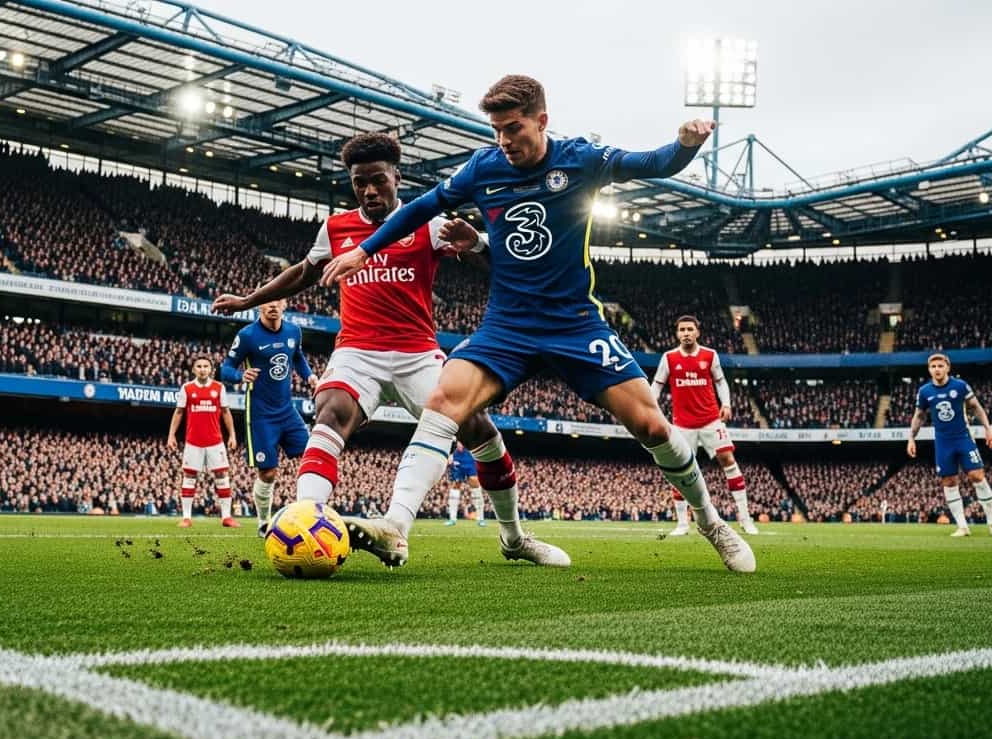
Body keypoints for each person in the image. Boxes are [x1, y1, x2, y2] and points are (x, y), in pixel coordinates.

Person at [317, 75, 753, 572]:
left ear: (541, 120)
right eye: (497, 130)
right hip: (508, 325)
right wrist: (364, 250)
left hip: (575, 325)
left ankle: (711, 520)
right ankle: (396, 526)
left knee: (652, 424)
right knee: (444, 400)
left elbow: (650, 164)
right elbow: (421, 208)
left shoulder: (580, 159)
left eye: (513, 128)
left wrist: (686, 144)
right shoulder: (483, 167)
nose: (503, 140)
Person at [214, 131, 568, 567]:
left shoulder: (428, 222)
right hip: (357, 351)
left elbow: (502, 265)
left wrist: (475, 241)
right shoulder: (336, 227)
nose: (368, 190)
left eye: (377, 180)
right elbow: (304, 273)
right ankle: (308, 517)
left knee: (479, 431)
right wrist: (249, 300)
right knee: (330, 410)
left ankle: (513, 539)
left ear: (396, 177)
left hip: (417, 353)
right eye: (359, 181)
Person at [651, 315, 758, 536]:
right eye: (682, 330)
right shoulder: (669, 357)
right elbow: (657, 384)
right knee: (679, 469)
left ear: (697, 332)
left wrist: (726, 404)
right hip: (682, 425)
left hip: (711, 420)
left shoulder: (710, 355)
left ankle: (746, 519)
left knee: (728, 459)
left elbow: (720, 381)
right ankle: (682, 523)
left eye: (690, 329)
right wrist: (652, 410)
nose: (686, 333)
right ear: (677, 333)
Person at [219, 299, 317, 530]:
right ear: (259, 306)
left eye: (277, 302)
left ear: (284, 304)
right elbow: (226, 368)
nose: (272, 306)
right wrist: (239, 376)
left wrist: (310, 376)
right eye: (267, 302)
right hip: (261, 414)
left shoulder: (294, 331)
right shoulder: (248, 335)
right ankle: (264, 522)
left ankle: (311, 516)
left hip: (287, 411)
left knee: (312, 458)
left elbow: (297, 358)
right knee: (268, 472)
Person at [906, 353, 992, 537]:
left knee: (977, 475)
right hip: (943, 443)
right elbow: (919, 416)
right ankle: (962, 526)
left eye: (940, 366)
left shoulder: (960, 386)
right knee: (949, 481)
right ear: (929, 370)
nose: (937, 369)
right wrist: (911, 438)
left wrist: (988, 429)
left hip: (964, 438)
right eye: (933, 367)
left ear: (948, 367)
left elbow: (976, 407)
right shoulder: (925, 391)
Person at [167, 357, 238, 528]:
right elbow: (178, 413)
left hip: (215, 441)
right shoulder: (187, 388)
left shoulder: (219, 388)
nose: (202, 369)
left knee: (222, 476)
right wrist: (171, 435)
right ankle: (186, 517)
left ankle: (226, 517)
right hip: (193, 442)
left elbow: (226, 413)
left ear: (211, 370)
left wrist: (232, 435)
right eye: (199, 366)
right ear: (193, 370)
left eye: (206, 366)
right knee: (189, 477)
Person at [444, 442, 487, 526]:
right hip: (456, 456)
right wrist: (449, 454)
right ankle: (452, 519)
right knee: (455, 485)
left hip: (469, 456)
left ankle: (481, 518)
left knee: (475, 484)